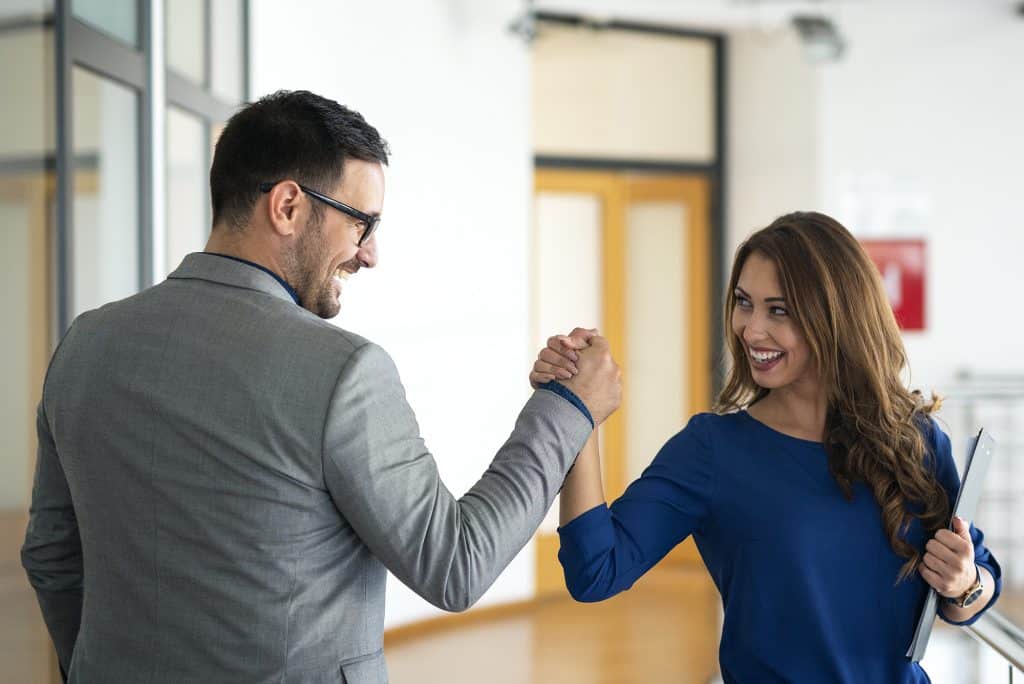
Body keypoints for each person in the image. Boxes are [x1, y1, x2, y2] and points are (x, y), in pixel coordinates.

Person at [21, 90, 622, 684]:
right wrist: (567, 407)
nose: (370, 254)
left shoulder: (84, 345)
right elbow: (455, 565)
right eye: (362, 224)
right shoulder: (343, 370)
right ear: (287, 206)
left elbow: (52, 556)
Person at [531, 212, 1001, 683]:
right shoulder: (712, 450)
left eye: (779, 310)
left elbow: (976, 590)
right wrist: (581, 416)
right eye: (743, 302)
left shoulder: (914, 441)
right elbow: (594, 572)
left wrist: (964, 584)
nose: (751, 330)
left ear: (836, 318)